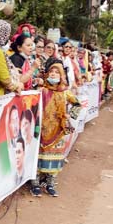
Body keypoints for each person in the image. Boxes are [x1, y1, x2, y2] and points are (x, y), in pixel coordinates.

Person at [30, 59, 81, 197]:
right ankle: (35, 184)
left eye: (56, 72)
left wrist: (68, 117)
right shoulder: (41, 90)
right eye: (51, 71)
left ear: (62, 75)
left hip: (58, 131)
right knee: (38, 157)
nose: (53, 74)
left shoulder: (65, 93)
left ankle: (50, 183)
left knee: (54, 159)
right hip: (41, 130)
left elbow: (77, 104)